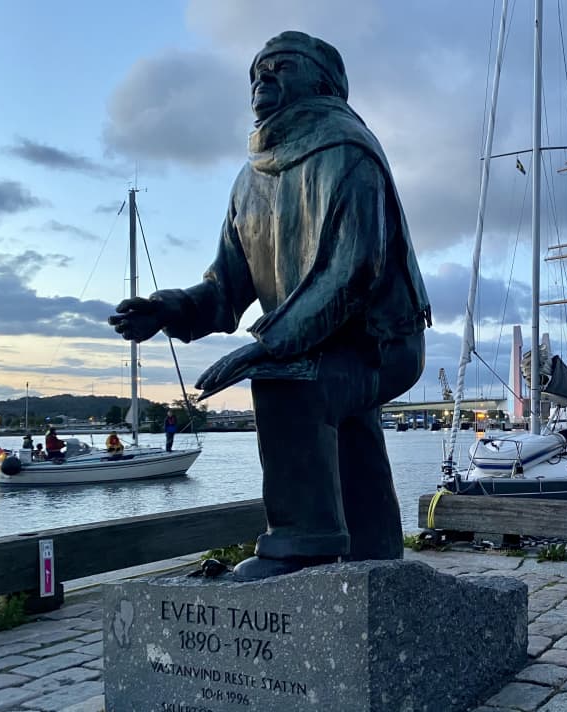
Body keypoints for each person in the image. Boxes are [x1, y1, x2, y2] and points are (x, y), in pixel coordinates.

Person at [108, 31, 430, 580]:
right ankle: (374, 549)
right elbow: (225, 288)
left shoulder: (349, 153)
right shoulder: (247, 183)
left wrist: (267, 346)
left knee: (291, 382)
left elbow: (352, 271)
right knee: (337, 409)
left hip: (381, 346)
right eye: (256, 72)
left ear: (322, 82)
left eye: (281, 67)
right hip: (315, 343)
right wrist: (169, 309)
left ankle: (301, 548)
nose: (263, 79)